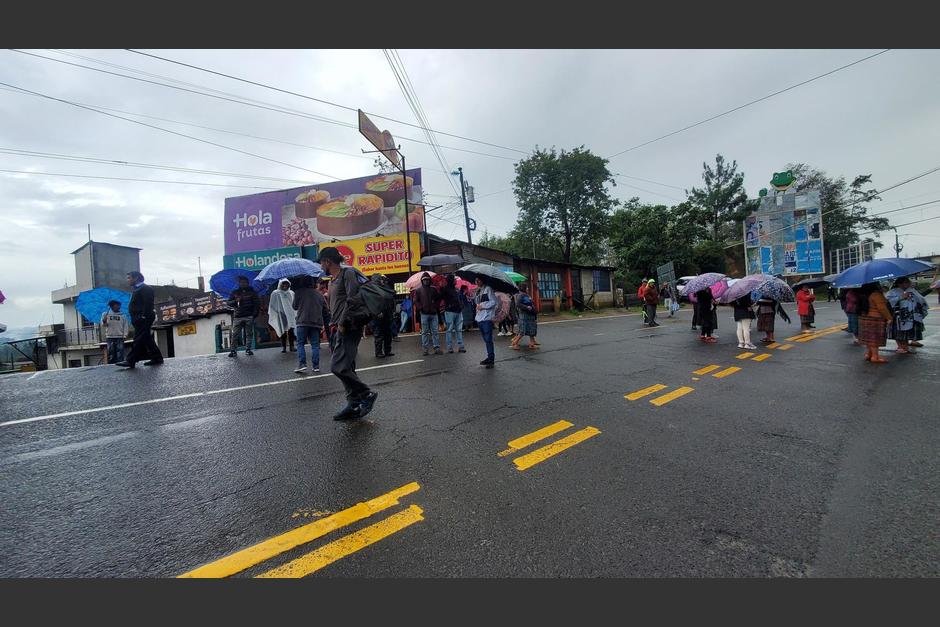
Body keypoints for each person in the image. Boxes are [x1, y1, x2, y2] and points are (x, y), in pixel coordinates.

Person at [318, 246, 377, 420]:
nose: (320, 265)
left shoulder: (348, 273)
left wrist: (343, 322)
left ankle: (366, 394)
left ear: (328, 261)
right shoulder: (331, 280)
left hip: (348, 327)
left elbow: (353, 299)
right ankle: (353, 404)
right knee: (348, 367)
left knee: (338, 367)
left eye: (321, 262)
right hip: (336, 327)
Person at [115, 271, 163, 368]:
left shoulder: (145, 288)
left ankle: (131, 360)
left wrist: (143, 316)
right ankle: (157, 357)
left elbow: (148, 303)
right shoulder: (137, 289)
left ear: (136, 278)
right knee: (146, 338)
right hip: (137, 318)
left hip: (143, 318)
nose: (127, 280)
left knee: (138, 339)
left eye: (129, 278)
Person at [292, 275, 327, 373]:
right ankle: (316, 366)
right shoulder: (319, 294)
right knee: (315, 345)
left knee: (300, 344)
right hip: (316, 322)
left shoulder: (298, 292)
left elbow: (294, 306)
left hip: (302, 321)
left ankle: (302, 364)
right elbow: (325, 309)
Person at [857, 282, 892, 363]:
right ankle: (875, 357)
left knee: (869, 337)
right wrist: (889, 318)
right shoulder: (876, 295)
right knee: (874, 338)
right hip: (875, 319)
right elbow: (882, 308)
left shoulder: (862, 294)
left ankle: (869, 354)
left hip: (864, 317)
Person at [226, 276, 260, 357]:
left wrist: (254, 314)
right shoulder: (235, 292)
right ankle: (233, 350)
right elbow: (229, 303)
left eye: (245, 282)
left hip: (249, 316)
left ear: (248, 283)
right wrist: (235, 301)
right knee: (235, 334)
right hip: (238, 316)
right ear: (239, 283)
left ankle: (248, 349)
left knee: (249, 334)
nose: (243, 284)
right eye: (241, 282)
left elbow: (257, 304)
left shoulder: (252, 292)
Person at [886, 278, 918, 354]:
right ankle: (900, 346)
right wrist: (900, 297)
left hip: (907, 315)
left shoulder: (909, 291)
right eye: (907, 282)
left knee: (906, 331)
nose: (909, 284)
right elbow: (888, 301)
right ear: (900, 284)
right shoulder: (892, 292)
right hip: (897, 315)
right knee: (898, 331)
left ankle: (905, 346)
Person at [414, 272, 442, 356]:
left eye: (427, 279)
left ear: (429, 280)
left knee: (435, 332)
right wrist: (421, 308)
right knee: (425, 332)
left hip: (433, 313)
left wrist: (435, 305)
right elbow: (416, 301)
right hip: (424, 314)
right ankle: (425, 349)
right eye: (424, 280)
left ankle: (436, 348)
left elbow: (438, 299)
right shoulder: (418, 290)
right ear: (422, 281)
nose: (426, 281)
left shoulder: (433, 289)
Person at [369, 273, 395, 358]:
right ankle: (378, 352)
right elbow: (372, 303)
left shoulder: (384, 287)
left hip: (387, 314)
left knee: (388, 334)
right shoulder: (372, 289)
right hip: (378, 315)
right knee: (379, 334)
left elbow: (390, 297)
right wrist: (376, 312)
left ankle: (387, 350)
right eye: (380, 279)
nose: (382, 280)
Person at [268, 278, 296, 353]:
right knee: (282, 331)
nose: (285, 285)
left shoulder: (291, 293)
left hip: (290, 315)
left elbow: (294, 303)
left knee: (291, 331)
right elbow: (272, 304)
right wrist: (276, 312)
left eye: (286, 284)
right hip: (281, 315)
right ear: (280, 284)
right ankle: (283, 347)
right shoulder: (275, 293)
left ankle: (292, 346)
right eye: (283, 283)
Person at [474, 277, 497, 367]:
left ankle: (491, 359)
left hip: (487, 318)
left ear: (483, 280)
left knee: (488, 339)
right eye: (476, 280)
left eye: (478, 279)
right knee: (486, 339)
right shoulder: (479, 291)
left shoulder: (488, 289)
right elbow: (477, 303)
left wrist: (483, 306)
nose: (477, 281)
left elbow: (494, 302)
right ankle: (489, 357)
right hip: (479, 318)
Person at [440, 274, 466, 354]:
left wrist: (461, 306)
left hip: (457, 311)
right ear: (451, 280)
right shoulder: (445, 289)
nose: (455, 280)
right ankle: (450, 347)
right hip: (450, 311)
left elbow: (459, 299)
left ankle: (460, 346)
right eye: (454, 279)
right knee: (450, 330)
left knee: (458, 330)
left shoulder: (456, 289)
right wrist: (441, 288)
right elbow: (440, 297)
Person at [511, 283, 539, 350]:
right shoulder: (520, 295)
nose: (527, 288)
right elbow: (518, 304)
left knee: (532, 329)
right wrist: (527, 307)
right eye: (526, 287)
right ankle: (515, 343)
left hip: (530, 315)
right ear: (523, 288)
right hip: (524, 315)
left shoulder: (526, 295)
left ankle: (532, 343)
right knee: (523, 331)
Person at [101, 300, 128, 364]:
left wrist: (125, 335)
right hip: (110, 337)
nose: (119, 307)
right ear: (112, 306)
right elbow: (104, 325)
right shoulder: (105, 314)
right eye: (117, 305)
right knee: (111, 354)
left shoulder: (123, 315)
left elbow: (125, 326)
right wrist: (104, 321)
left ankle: (120, 366)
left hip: (120, 337)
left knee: (120, 354)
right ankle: (112, 368)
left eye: (119, 305)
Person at [319, 279, 332, 346]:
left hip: (326, 312)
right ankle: (318, 343)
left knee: (328, 328)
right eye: (322, 284)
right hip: (319, 312)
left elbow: (329, 299)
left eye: (323, 284)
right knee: (318, 328)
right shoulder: (317, 292)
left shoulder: (325, 291)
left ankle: (330, 341)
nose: (323, 286)